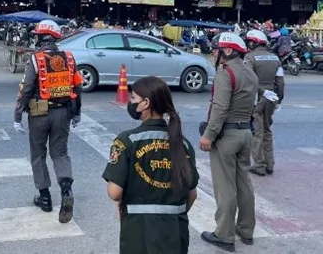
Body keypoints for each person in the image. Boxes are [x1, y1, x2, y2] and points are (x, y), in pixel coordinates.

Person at [103, 76, 199, 254]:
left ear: (146, 103)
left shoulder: (127, 140)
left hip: (138, 232)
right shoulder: (183, 144)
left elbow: (115, 192)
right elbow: (192, 194)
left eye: (133, 98)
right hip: (175, 231)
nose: (131, 103)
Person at [13, 19, 82, 224]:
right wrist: (77, 113)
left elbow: (26, 88)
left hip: (39, 111)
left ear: (42, 37)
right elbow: (77, 87)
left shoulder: (36, 59)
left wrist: (17, 116)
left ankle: (44, 198)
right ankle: (66, 190)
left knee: (38, 154)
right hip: (63, 112)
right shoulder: (69, 58)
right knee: (60, 153)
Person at [199, 32, 259, 252]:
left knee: (225, 187)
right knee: (244, 184)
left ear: (227, 50)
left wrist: (209, 134)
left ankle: (224, 235)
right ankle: (246, 231)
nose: (213, 54)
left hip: (227, 136)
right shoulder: (250, 72)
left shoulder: (226, 72)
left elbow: (220, 108)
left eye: (216, 49)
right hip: (246, 133)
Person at [244, 29, 284, 177]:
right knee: (267, 130)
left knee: (257, 132)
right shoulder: (275, 58)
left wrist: (261, 92)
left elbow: (249, 80)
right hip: (272, 99)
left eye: (249, 42)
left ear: (253, 43)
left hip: (257, 99)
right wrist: (279, 99)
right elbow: (280, 82)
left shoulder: (249, 58)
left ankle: (259, 166)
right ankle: (270, 164)